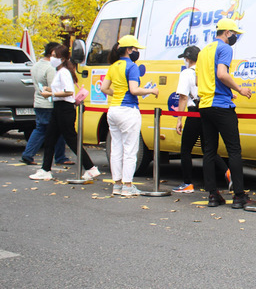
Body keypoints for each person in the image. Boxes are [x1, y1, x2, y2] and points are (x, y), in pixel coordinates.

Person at [196, 18, 253, 208]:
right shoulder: (225, 49)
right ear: (227, 33)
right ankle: (238, 196)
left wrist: (226, 91)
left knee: (209, 151)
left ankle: (213, 195)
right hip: (221, 106)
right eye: (235, 34)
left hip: (205, 105)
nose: (236, 37)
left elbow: (200, 82)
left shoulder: (204, 51)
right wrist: (239, 89)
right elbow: (221, 74)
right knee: (234, 151)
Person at [29, 45, 100, 181]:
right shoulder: (59, 71)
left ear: (61, 59)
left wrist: (51, 92)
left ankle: (91, 168)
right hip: (59, 108)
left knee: (71, 139)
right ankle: (45, 169)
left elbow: (68, 91)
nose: (52, 59)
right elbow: (61, 89)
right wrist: (49, 89)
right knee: (50, 138)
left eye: (54, 56)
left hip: (65, 108)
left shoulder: (64, 72)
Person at [100, 35, 158, 197]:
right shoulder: (131, 67)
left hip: (113, 110)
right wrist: (151, 90)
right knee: (131, 149)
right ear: (128, 50)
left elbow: (104, 88)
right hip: (128, 110)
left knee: (116, 149)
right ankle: (128, 185)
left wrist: (117, 93)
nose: (137, 52)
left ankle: (117, 185)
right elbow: (134, 90)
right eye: (135, 49)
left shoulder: (113, 66)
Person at [173, 46, 229, 193]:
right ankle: (228, 173)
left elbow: (183, 97)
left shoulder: (186, 73)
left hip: (193, 113)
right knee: (208, 149)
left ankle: (187, 183)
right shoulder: (206, 71)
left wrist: (179, 119)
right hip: (207, 110)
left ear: (187, 59)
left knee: (185, 149)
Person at [21, 42, 73, 166]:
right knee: (56, 131)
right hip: (49, 104)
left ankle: (28, 154)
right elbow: (54, 87)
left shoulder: (36, 65)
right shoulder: (51, 68)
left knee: (41, 129)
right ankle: (60, 157)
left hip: (38, 101)